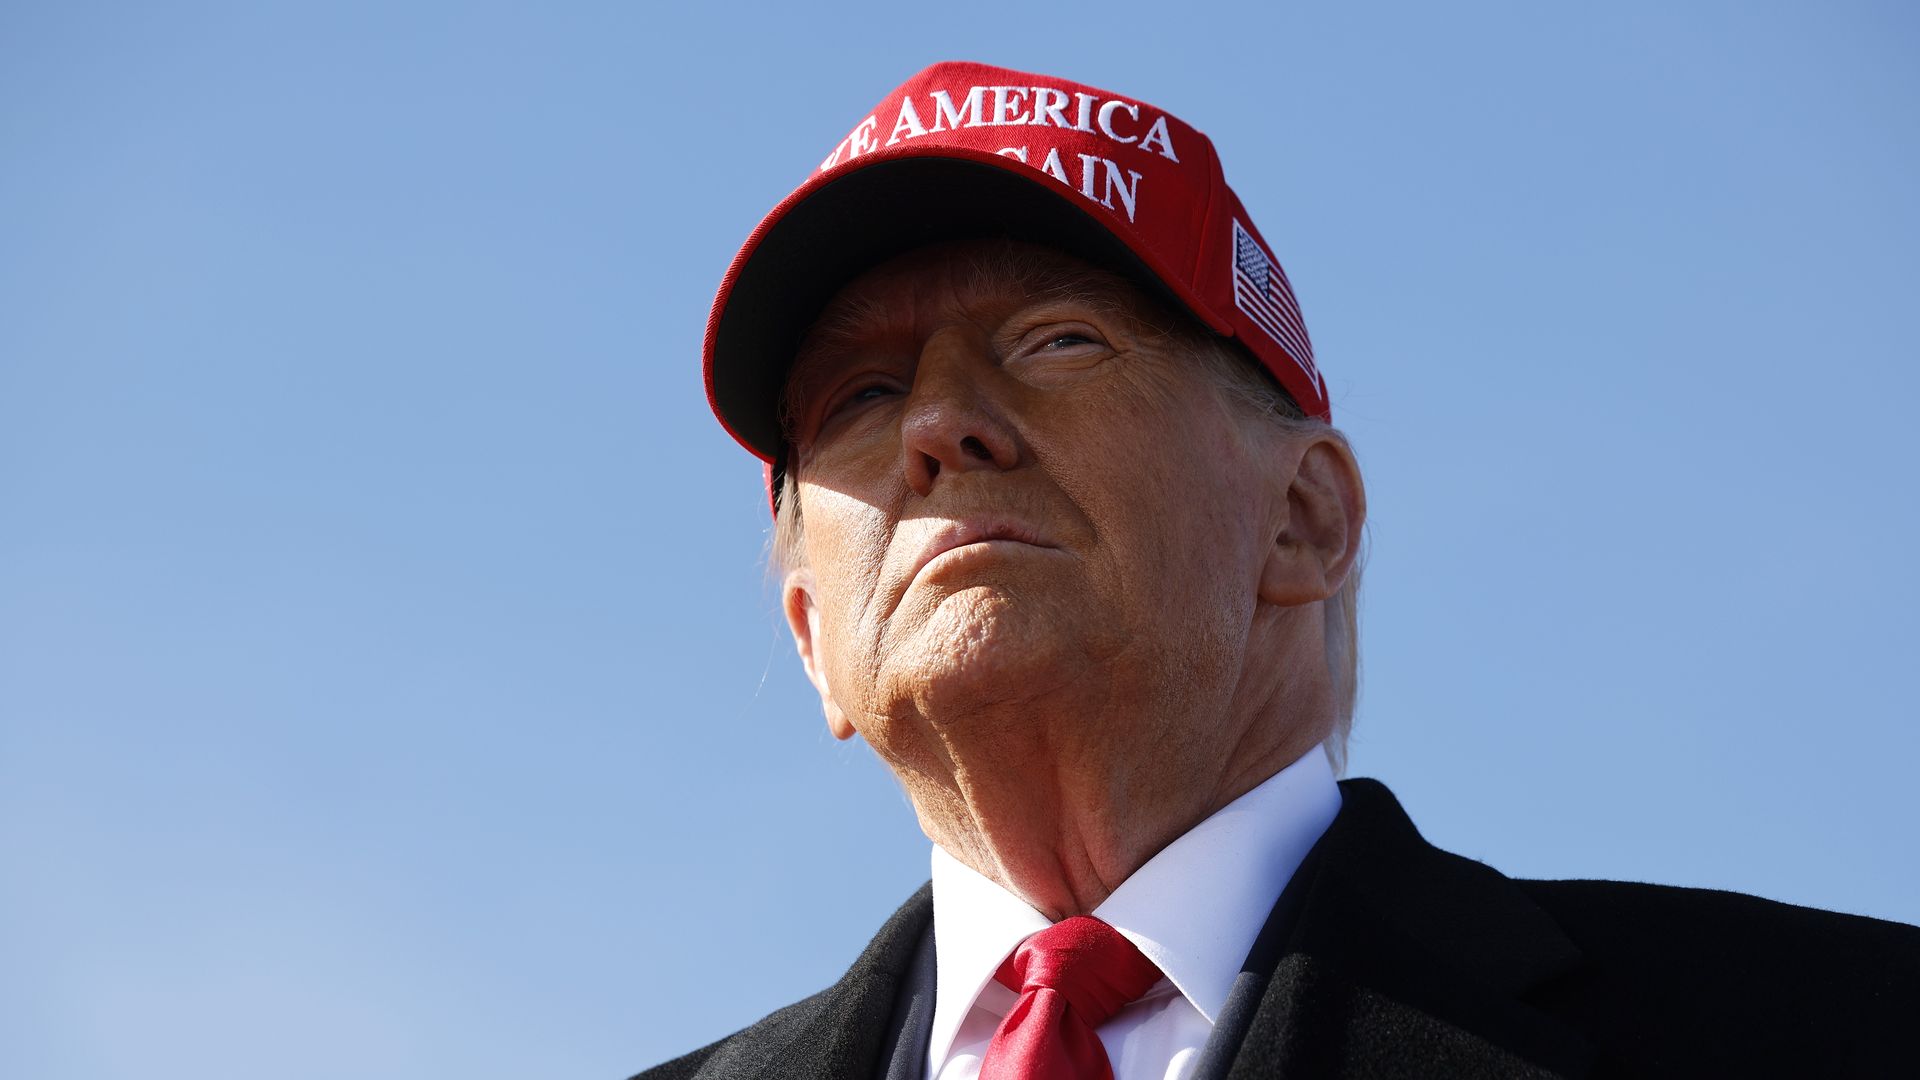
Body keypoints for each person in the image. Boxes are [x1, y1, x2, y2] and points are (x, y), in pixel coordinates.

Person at [639, 61, 1919, 1079]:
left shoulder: (1843, 1028)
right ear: (815, 637)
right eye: (861, 393)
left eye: (1057, 339)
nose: (938, 426)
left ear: (1306, 517)